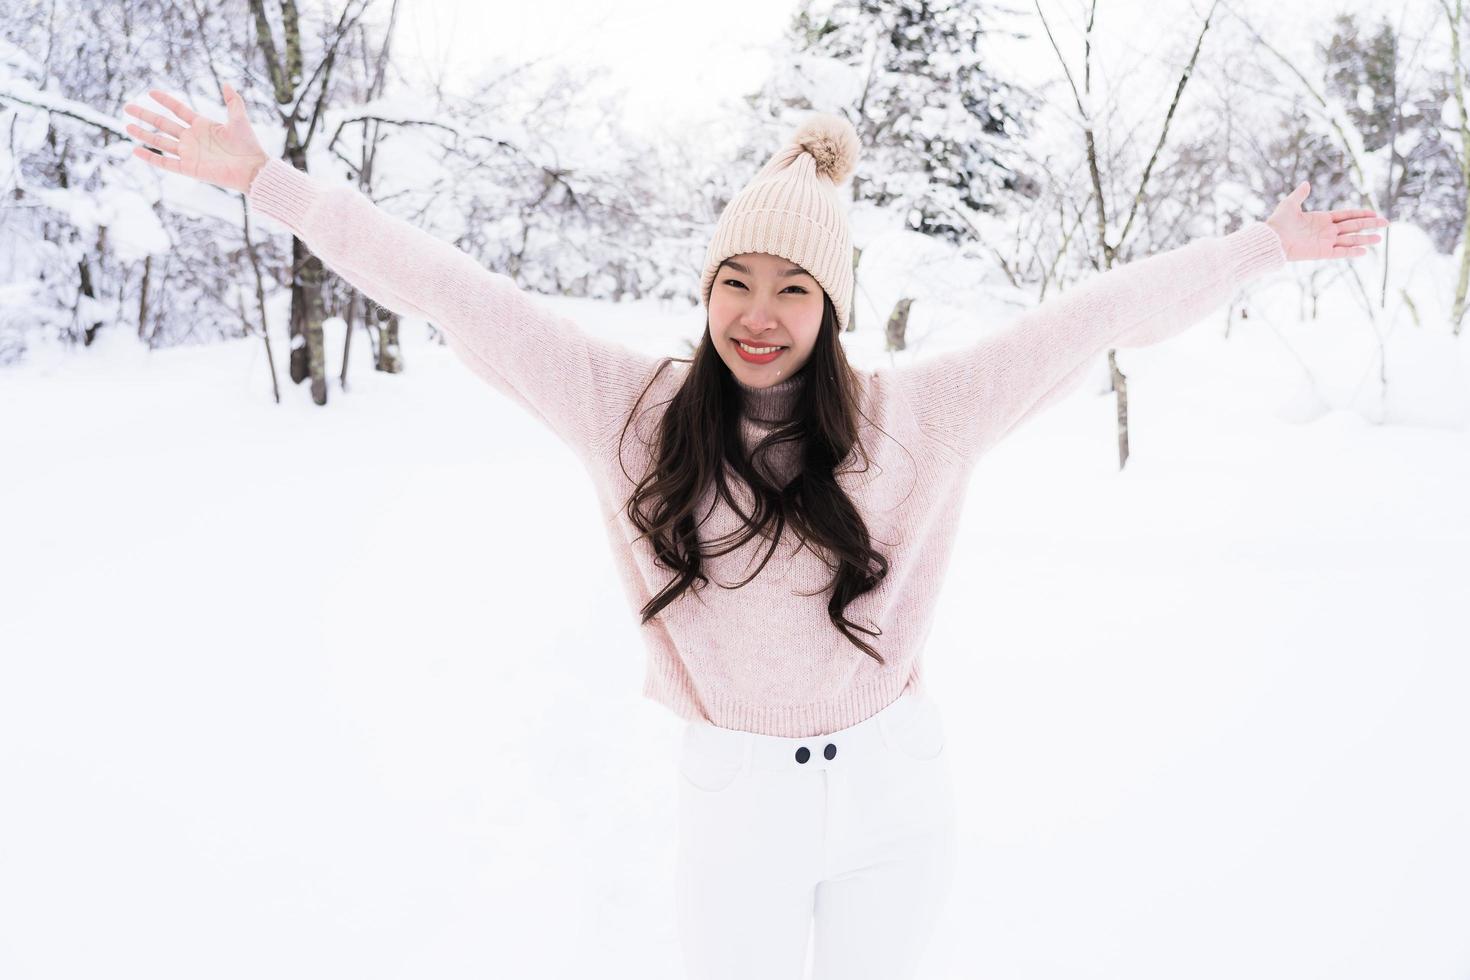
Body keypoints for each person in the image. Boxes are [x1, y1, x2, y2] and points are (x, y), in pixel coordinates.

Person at [122, 83, 1387, 979]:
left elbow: (1086, 322)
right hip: (737, 807)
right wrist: (268, 182)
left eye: (793, 287)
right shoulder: (631, 411)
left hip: (897, 789)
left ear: (833, 307)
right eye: (736, 280)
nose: (759, 311)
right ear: (708, 288)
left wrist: (1258, 249)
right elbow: (455, 289)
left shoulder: (917, 418)